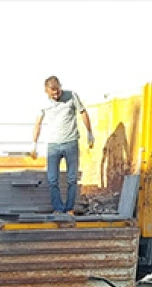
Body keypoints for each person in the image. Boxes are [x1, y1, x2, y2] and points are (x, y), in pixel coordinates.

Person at [30, 76, 95, 214]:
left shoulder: (71, 96)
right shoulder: (43, 103)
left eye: (58, 91)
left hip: (71, 142)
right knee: (52, 179)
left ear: (60, 87)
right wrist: (34, 144)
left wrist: (90, 132)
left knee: (72, 179)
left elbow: (83, 113)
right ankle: (58, 209)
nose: (56, 95)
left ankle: (69, 208)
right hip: (53, 145)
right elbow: (38, 123)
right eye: (52, 93)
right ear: (46, 91)